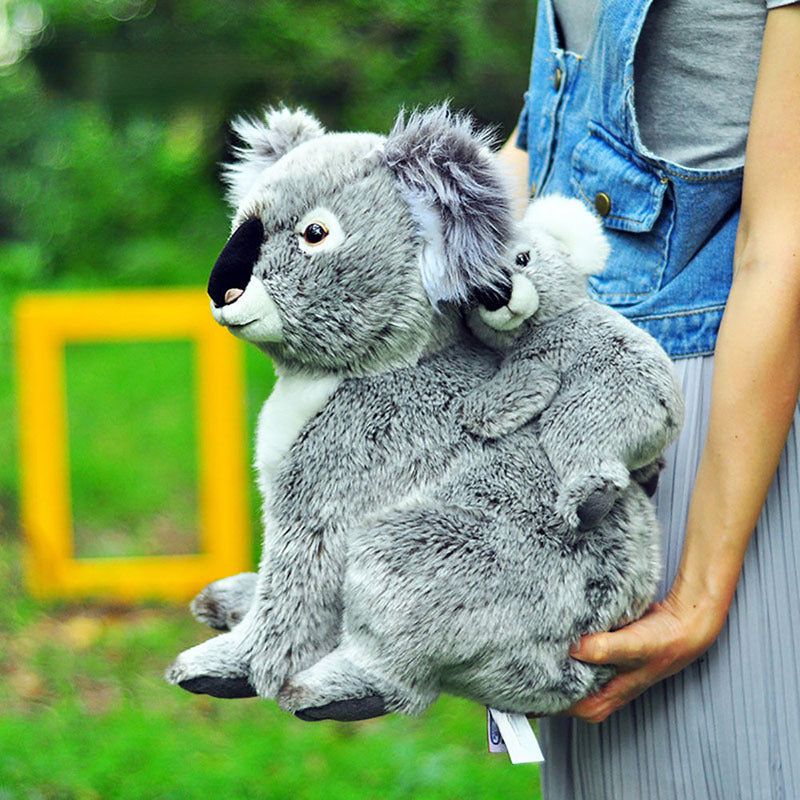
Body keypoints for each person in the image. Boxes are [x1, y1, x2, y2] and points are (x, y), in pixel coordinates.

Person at [497, 2, 800, 797]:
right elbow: (549, 140)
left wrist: (702, 590)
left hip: (723, 424)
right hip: (580, 411)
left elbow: (786, 250)